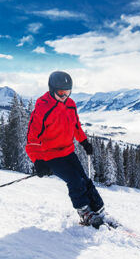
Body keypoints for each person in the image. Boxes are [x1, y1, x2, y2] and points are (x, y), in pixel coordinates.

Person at [25, 71, 105, 228]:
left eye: (67, 93)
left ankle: (98, 208)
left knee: (84, 179)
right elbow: (32, 140)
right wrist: (38, 161)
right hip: (51, 155)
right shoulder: (42, 108)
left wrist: (84, 142)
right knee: (75, 181)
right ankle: (85, 213)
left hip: (68, 151)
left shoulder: (71, 104)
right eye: (61, 93)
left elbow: (75, 126)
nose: (64, 97)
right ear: (51, 89)